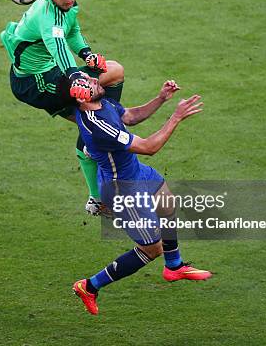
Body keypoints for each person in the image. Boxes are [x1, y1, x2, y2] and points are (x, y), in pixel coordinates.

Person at [59, 73, 212, 315]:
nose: (96, 81)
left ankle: (174, 266)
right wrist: (176, 116)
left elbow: (129, 116)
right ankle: (89, 286)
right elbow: (149, 148)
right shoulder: (97, 126)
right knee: (151, 249)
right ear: (81, 94)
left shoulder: (103, 103)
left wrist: (160, 98)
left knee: (166, 203)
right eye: (89, 82)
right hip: (123, 188)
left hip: (135, 172)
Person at [0, 0, 125, 214]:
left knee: (114, 72)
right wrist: (77, 76)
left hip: (51, 71)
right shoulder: (48, 18)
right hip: (35, 82)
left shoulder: (67, 5)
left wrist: (87, 54)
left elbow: (73, 31)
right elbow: (58, 47)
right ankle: (95, 179)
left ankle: (102, 130)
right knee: (94, 108)